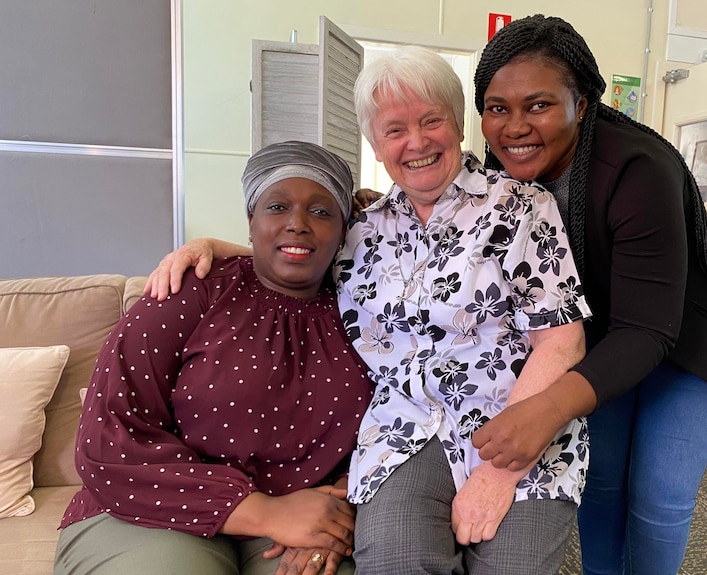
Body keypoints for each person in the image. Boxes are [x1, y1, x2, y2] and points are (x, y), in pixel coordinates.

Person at [146, 46, 593, 575]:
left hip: (515, 426)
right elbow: (298, 255)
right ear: (375, 146)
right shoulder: (364, 231)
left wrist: (498, 475)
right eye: (394, 129)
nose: (417, 142)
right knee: (395, 563)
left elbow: (562, 341)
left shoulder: (521, 208)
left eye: (432, 121)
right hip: (404, 433)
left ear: (458, 126)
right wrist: (218, 247)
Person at [467, 14, 707, 575]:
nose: (515, 126)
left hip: (686, 314)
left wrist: (544, 410)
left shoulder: (638, 167)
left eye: (539, 105)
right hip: (598, 320)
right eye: (498, 108)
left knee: (659, 495)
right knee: (600, 484)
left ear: (584, 102)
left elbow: (649, 329)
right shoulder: (502, 170)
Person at [53, 141, 373, 575]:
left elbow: (393, 424)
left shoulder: (368, 312)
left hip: (303, 516)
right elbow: (109, 435)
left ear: (343, 230)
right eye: (277, 207)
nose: (297, 224)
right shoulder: (190, 292)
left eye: (321, 212)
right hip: (148, 506)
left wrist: (340, 509)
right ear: (250, 220)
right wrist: (262, 512)